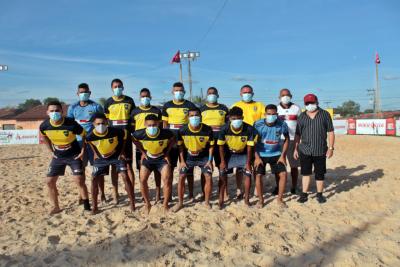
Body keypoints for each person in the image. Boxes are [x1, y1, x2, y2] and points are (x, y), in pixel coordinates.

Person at [39, 101, 90, 214]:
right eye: (52, 111)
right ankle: (56, 207)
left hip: (74, 155)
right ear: (47, 112)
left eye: (57, 110)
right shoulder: (44, 125)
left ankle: (87, 206)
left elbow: (84, 135)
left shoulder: (71, 123)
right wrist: (51, 151)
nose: (54, 113)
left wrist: (82, 151)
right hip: (58, 156)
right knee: (49, 181)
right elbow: (44, 137)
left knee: (79, 180)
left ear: (62, 112)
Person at [86, 113, 135, 214]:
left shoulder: (116, 131)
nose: (101, 125)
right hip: (101, 158)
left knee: (125, 176)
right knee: (94, 179)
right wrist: (95, 153)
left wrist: (121, 152)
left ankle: (132, 204)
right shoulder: (90, 135)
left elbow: (125, 137)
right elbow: (90, 144)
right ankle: (95, 207)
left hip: (116, 156)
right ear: (93, 124)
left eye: (103, 123)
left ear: (107, 122)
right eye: (98, 123)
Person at [67, 83, 106, 204]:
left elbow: (102, 123)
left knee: (98, 169)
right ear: (77, 94)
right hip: (78, 143)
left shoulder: (96, 106)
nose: (83, 94)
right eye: (81, 92)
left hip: (94, 143)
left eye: (85, 92)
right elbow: (69, 125)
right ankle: (82, 194)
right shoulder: (72, 108)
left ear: (89, 93)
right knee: (81, 169)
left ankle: (102, 193)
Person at [294, 94, 335, 204]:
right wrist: (295, 148)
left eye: (312, 102)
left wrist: (331, 148)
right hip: (305, 150)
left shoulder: (325, 115)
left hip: (320, 149)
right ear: (305, 104)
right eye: (307, 103)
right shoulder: (301, 116)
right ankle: (304, 194)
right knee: (305, 173)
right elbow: (297, 134)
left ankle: (320, 194)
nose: (310, 105)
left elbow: (330, 132)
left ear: (317, 102)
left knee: (319, 173)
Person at [132, 114, 175, 213]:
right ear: (145, 124)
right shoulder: (139, 133)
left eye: (154, 125)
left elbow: (173, 139)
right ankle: (147, 204)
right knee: (142, 180)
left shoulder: (166, 133)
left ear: (158, 124)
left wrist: (167, 153)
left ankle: (165, 205)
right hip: (148, 159)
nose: (152, 127)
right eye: (149, 125)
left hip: (161, 159)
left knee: (167, 180)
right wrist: (143, 152)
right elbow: (134, 140)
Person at [174, 107, 214, 212]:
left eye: (196, 115)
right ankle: (180, 203)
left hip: (203, 156)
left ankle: (206, 202)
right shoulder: (182, 130)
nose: (194, 117)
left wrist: (210, 161)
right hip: (188, 157)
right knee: (182, 176)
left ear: (200, 117)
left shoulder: (207, 129)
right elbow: (180, 147)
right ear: (188, 117)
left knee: (208, 176)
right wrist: (182, 161)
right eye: (192, 116)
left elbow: (211, 146)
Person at [161, 82, 197, 199]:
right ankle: (169, 194)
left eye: (181, 91)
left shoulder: (189, 105)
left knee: (188, 168)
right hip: (171, 143)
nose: (178, 93)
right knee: (169, 168)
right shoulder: (167, 105)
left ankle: (191, 193)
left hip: (186, 142)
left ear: (184, 92)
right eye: (176, 91)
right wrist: (166, 140)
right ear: (172, 92)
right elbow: (165, 125)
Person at [104, 78, 136, 204]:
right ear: (112, 88)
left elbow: (133, 120)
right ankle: (115, 193)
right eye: (115, 86)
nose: (117, 88)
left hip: (127, 139)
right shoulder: (108, 102)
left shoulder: (129, 100)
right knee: (114, 167)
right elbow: (106, 122)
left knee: (129, 166)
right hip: (113, 140)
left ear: (123, 87)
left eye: (119, 86)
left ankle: (131, 191)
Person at [218, 107, 257, 208]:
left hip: (243, 154)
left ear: (243, 117)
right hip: (229, 154)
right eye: (233, 118)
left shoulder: (249, 129)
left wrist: (248, 163)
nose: (236, 121)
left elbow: (249, 147)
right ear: (229, 118)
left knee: (248, 173)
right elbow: (221, 146)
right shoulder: (224, 129)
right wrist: (222, 161)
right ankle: (221, 199)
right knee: (222, 173)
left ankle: (247, 199)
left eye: (239, 118)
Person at [130, 88, 163, 202]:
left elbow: (161, 128)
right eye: (143, 96)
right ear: (140, 98)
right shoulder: (134, 111)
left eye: (147, 96)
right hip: (141, 145)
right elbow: (132, 129)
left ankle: (158, 193)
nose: (145, 98)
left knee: (157, 170)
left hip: (155, 144)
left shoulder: (157, 111)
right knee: (142, 170)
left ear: (150, 97)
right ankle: (146, 195)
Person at [254, 104, 289, 208]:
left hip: (276, 154)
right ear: (265, 114)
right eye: (269, 114)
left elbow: (287, 139)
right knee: (258, 175)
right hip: (261, 154)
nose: (271, 116)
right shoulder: (257, 124)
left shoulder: (282, 124)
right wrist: (256, 157)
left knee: (283, 174)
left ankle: (280, 199)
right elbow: (252, 141)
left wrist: (283, 155)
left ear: (277, 114)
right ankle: (261, 200)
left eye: (274, 114)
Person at [199, 87, 229, 198]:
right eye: (209, 93)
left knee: (222, 167)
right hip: (206, 143)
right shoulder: (202, 109)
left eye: (214, 93)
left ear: (218, 95)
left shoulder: (224, 108)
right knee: (205, 169)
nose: (212, 95)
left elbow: (228, 124)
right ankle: (204, 193)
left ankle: (224, 191)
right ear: (207, 96)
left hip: (221, 143)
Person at [277, 88, 302, 194]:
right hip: (279, 140)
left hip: (293, 140)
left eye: (287, 95)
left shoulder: (296, 108)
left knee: (294, 165)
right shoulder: (276, 108)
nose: (285, 97)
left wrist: (299, 139)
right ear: (279, 97)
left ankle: (294, 186)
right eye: (283, 95)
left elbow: (301, 125)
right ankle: (278, 187)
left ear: (291, 96)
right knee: (279, 165)